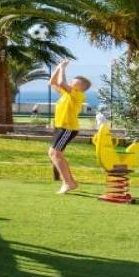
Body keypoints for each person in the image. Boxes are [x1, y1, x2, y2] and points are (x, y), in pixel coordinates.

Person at [48, 59, 91, 194]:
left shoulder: (78, 95)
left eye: (75, 82)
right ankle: (69, 182)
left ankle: (68, 183)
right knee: (53, 154)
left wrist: (62, 67)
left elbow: (61, 82)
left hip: (68, 128)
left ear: (81, 87)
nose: (72, 82)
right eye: (72, 81)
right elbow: (53, 82)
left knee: (55, 154)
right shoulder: (67, 94)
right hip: (60, 127)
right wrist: (58, 67)